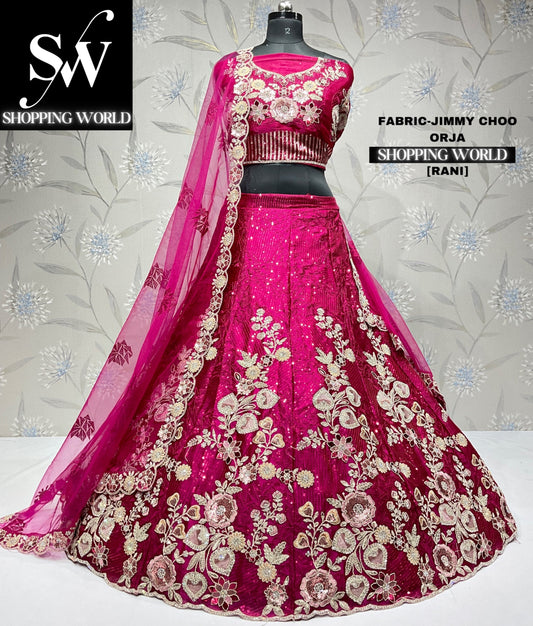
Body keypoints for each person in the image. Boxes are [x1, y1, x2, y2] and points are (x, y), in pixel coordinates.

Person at [0, 2, 518, 621]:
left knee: (331, 361)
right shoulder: (229, 70)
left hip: (317, 229)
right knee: (243, 358)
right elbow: (212, 167)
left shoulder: (338, 71)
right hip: (250, 232)